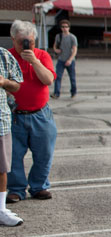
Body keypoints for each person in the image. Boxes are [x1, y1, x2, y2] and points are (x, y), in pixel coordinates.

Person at [7, 20, 56, 204]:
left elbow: (48, 79)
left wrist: (34, 60)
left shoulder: (42, 55)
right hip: (15, 115)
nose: (27, 46)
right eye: (22, 42)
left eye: (31, 42)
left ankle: (39, 185)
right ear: (13, 39)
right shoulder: (6, 57)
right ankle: (16, 189)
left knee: (44, 153)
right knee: (13, 155)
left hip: (40, 114)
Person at [0, 46, 22, 226]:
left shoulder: (3, 55)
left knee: (2, 168)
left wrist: (4, 82)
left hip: (1, 120)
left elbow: (17, 84)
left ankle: (1, 210)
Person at [52, 19, 77, 99]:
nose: (64, 28)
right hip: (61, 59)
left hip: (70, 61)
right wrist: (56, 50)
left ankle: (73, 92)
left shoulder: (72, 37)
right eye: (63, 27)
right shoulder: (58, 36)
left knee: (72, 77)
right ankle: (56, 93)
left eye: (66, 27)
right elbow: (55, 45)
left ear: (69, 27)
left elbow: (75, 50)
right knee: (58, 77)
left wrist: (70, 60)